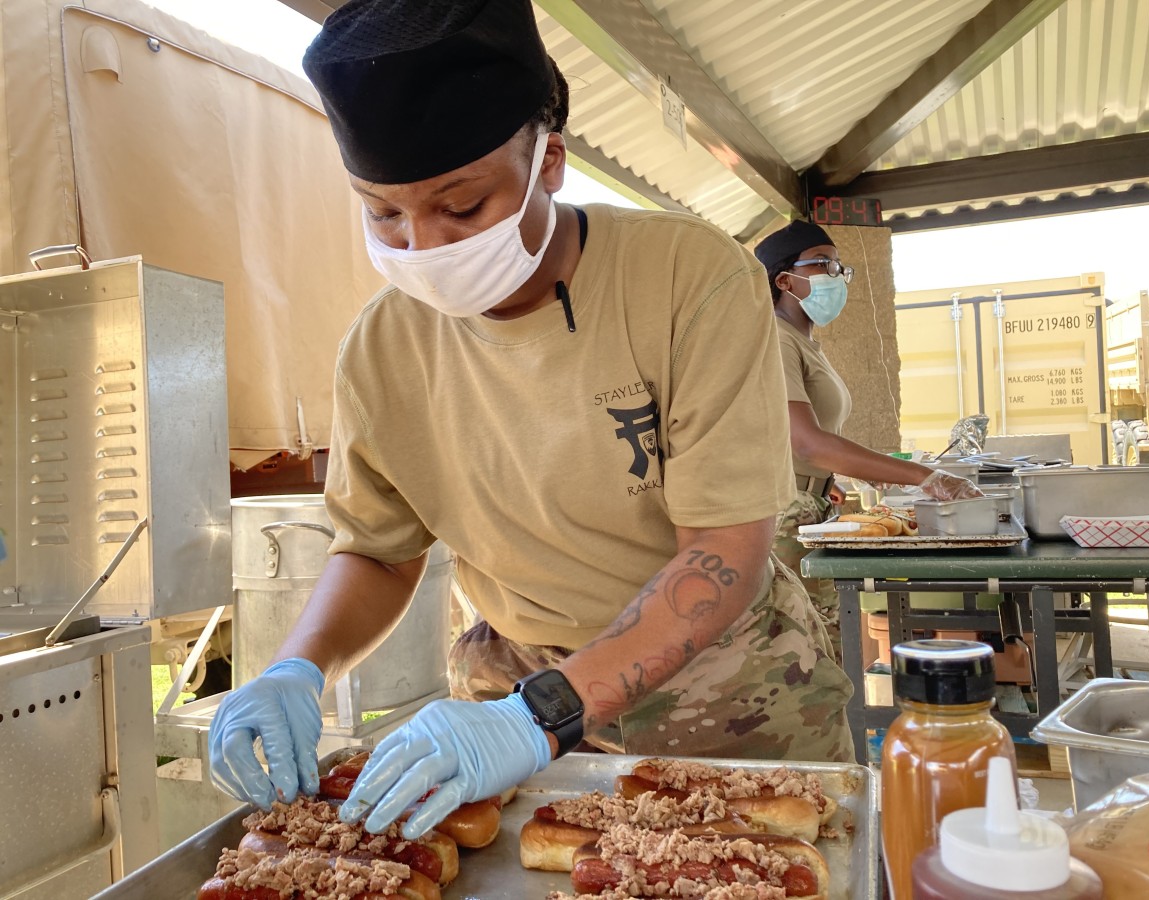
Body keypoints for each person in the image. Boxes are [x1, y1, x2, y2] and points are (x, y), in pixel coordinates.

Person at [208, 0, 853, 841]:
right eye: (383, 213)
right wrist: (300, 666)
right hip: (509, 694)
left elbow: (725, 548)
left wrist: (541, 715)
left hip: (725, 689)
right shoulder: (381, 347)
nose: (423, 243)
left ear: (547, 160)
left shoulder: (690, 278)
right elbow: (378, 548)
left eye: (462, 206)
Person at [754, 220, 983, 660]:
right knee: (810, 657)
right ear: (784, 280)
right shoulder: (775, 341)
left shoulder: (803, 344)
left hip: (808, 506)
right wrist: (926, 477)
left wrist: (824, 478)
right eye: (823, 264)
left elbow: (795, 442)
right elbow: (807, 443)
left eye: (840, 267)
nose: (836, 276)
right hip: (782, 518)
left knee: (825, 647)